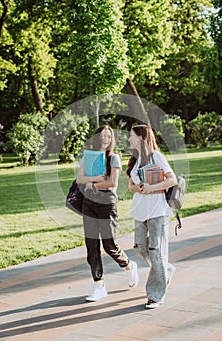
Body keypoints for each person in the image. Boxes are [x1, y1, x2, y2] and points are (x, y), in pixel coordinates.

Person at [76, 125, 139, 302]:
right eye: (103, 135)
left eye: (109, 136)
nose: (106, 139)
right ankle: (99, 285)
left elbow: (111, 182)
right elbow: (80, 179)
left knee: (109, 245)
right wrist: (96, 179)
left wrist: (93, 184)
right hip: (89, 204)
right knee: (91, 246)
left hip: (106, 204)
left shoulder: (114, 158)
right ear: (97, 138)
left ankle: (128, 265)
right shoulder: (89, 156)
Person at [126, 124, 177, 309]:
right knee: (140, 247)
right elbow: (131, 186)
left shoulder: (156, 156)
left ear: (141, 137)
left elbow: (172, 180)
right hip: (140, 210)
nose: (129, 138)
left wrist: (151, 188)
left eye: (131, 135)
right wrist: (138, 188)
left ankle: (155, 295)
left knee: (156, 250)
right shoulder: (135, 160)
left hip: (157, 210)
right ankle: (165, 268)